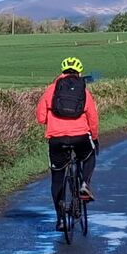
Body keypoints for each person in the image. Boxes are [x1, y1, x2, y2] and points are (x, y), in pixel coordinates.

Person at [36, 57, 99, 231]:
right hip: (80, 137)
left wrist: (53, 121)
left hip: (56, 139)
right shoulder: (84, 92)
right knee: (89, 156)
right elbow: (93, 118)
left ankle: (60, 218)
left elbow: (40, 117)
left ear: (62, 72)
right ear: (79, 72)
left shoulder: (51, 90)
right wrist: (94, 137)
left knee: (57, 178)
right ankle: (84, 184)